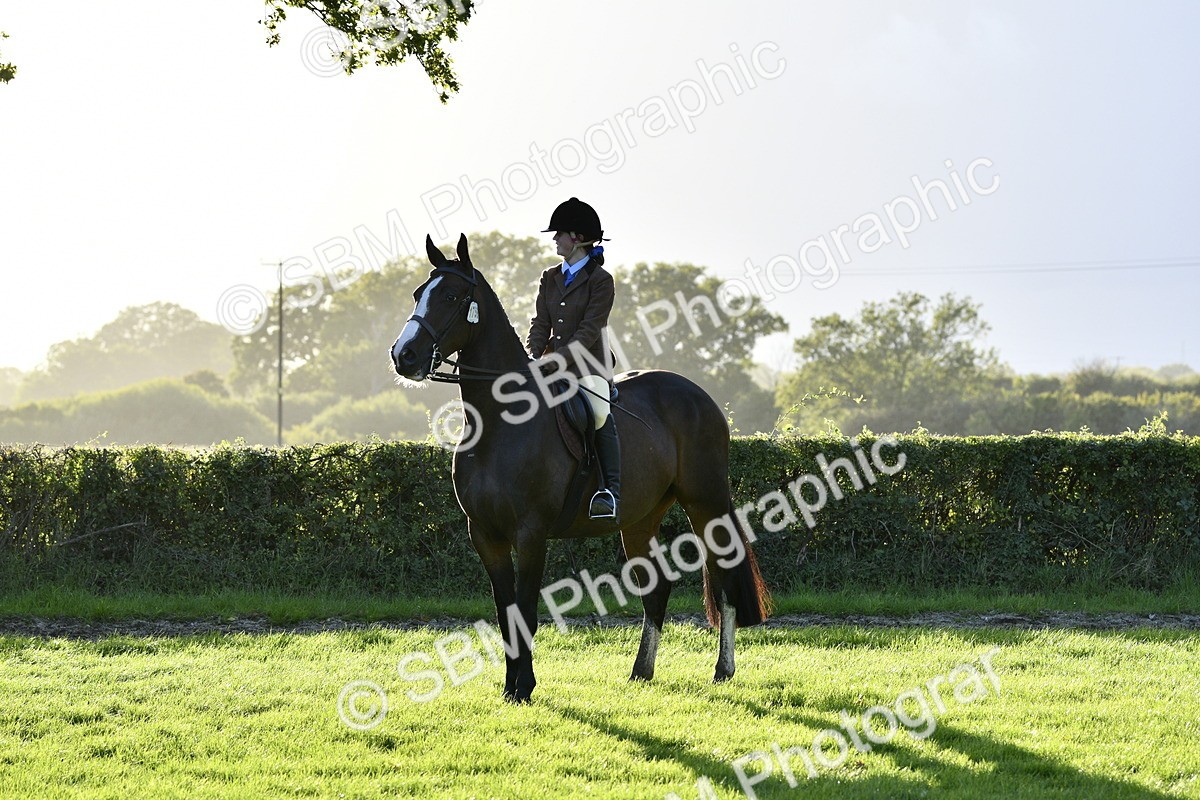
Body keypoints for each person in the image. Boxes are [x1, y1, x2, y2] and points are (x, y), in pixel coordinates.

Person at [526, 197, 621, 522]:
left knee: (597, 412)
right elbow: (540, 323)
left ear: (576, 238)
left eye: (559, 234)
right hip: (550, 362)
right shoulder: (549, 277)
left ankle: (610, 491)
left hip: (590, 366)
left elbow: (589, 330)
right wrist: (532, 354)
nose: (554, 239)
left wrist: (556, 361)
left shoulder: (600, 281)